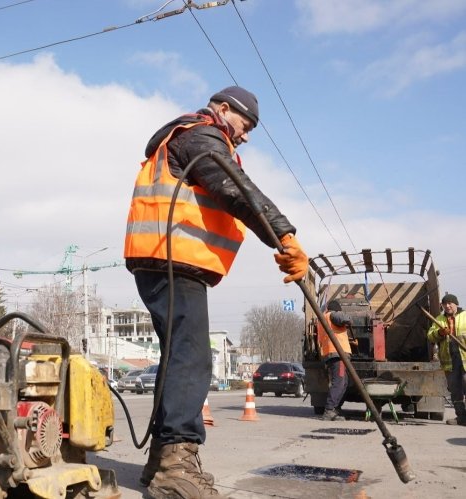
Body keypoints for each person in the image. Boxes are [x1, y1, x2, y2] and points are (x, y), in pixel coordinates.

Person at [124, 86, 308, 499]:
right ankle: (176, 467)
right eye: (245, 125)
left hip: (165, 261)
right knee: (192, 357)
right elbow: (237, 189)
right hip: (171, 259)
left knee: (178, 359)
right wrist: (284, 235)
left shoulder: (194, 138)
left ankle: (162, 461)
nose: (245, 136)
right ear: (224, 110)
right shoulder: (201, 137)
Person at [427, 294, 466, 426]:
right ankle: (461, 417)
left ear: (456, 304)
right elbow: (430, 336)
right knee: (454, 389)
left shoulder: (465, 316)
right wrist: (440, 333)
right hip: (450, 359)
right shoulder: (439, 319)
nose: (448, 306)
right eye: (445, 304)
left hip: (465, 356)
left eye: (450, 303)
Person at [317, 299, 352, 421]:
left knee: (344, 382)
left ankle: (334, 409)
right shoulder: (332, 315)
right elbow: (343, 318)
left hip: (331, 353)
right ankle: (329, 410)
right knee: (339, 382)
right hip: (338, 353)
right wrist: (348, 319)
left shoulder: (323, 318)